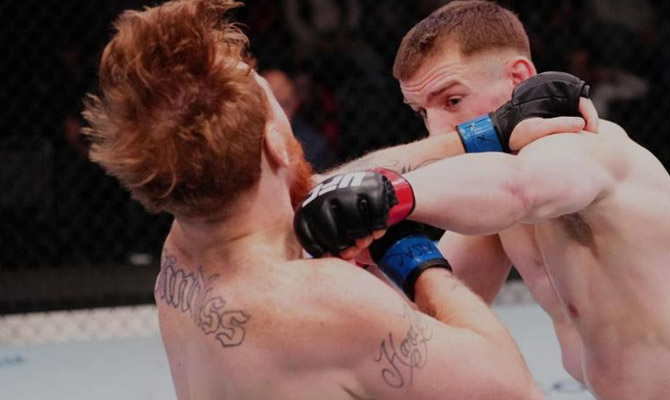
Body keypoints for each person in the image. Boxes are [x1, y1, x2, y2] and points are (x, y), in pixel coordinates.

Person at [81, 0, 553, 398]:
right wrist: (414, 258)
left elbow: (316, 187)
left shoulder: (184, 247)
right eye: (277, 109)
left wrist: (477, 135)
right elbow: (514, 389)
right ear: (273, 143)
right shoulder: (325, 300)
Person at [294, 1, 670, 400]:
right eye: (422, 112)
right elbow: (429, 308)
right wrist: (376, 250)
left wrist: (392, 196)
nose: (436, 129)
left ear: (518, 77)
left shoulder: (587, 145)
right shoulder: (494, 209)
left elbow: (519, 189)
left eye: (452, 101)